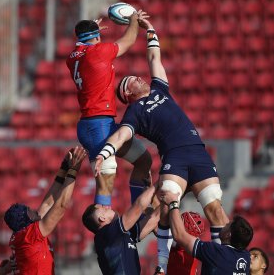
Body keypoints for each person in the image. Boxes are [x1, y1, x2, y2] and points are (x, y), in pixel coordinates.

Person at [94, 16, 230, 273]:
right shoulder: (134, 112)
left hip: (197, 151)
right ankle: (162, 268)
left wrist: (151, 30)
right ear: (128, 94)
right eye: (132, 80)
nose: (139, 78)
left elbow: (155, 59)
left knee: (215, 208)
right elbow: (122, 135)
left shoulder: (160, 90)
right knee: (167, 206)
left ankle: (220, 264)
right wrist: (105, 152)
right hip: (175, 157)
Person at [66, 12, 153, 208]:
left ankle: (138, 210)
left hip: (102, 123)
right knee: (105, 185)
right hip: (97, 125)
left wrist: (92, 31)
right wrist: (133, 20)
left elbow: (83, 46)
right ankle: (102, 231)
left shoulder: (72, 57)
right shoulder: (98, 52)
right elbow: (128, 40)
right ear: (96, 38)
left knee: (144, 160)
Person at [4, 146, 87, 275]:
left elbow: (48, 203)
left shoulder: (24, 233)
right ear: (26, 221)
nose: (35, 211)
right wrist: (73, 170)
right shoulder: (30, 236)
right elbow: (61, 206)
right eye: (29, 211)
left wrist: (64, 168)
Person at [160, 190, 253, 275]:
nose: (224, 225)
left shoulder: (215, 252)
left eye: (227, 225)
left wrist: (173, 203)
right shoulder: (245, 257)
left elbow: (179, 235)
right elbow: (218, 214)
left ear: (229, 235)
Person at [82, 182, 160, 275]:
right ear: (102, 218)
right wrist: (160, 182)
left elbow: (154, 218)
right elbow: (138, 206)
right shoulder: (105, 234)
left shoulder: (119, 235)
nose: (108, 206)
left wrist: (172, 197)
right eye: (104, 208)